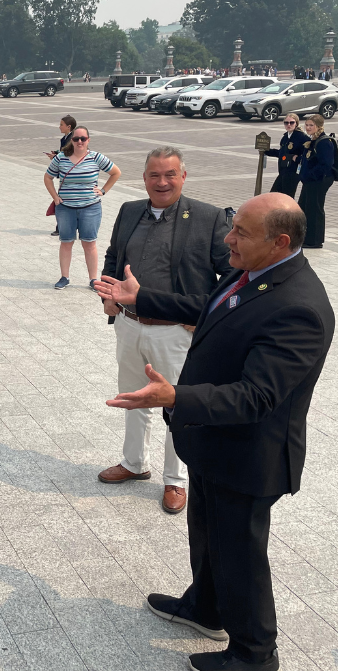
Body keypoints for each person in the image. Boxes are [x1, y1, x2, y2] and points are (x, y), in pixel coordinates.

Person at [96, 193, 333, 671]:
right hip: (213, 441)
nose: (228, 238)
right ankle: (205, 609)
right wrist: (141, 298)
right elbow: (209, 306)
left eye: (240, 232)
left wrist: (176, 397)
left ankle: (255, 655)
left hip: (248, 457)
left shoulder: (300, 307)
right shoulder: (253, 273)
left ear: (281, 241)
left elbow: (256, 397)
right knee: (208, 536)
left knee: (240, 555)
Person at [97, 147, 233, 515]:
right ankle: (134, 462)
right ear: (143, 178)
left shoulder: (208, 217)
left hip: (176, 332)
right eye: (154, 175)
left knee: (177, 405)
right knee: (133, 396)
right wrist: (107, 296)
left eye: (170, 174)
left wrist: (204, 317)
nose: (162, 182)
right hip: (129, 325)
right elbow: (113, 257)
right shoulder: (128, 211)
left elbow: (233, 275)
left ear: (183, 177)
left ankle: (176, 480)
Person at [44, 126, 121, 290]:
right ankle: (64, 277)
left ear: (88, 140)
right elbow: (47, 177)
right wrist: (55, 197)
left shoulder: (96, 158)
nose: (79, 142)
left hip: (90, 208)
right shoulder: (61, 158)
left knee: (89, 243)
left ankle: (93, 279)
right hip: (65, 208)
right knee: (66, 242)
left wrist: (103, 190)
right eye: (76, 139)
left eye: (83, 139)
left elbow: (116, 172)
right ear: (71, 140)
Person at [297, 113, 336, 249]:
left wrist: (311, 176)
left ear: (319, 126)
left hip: (319, 181)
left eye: (311, 125)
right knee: (304, 207)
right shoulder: (313, 139)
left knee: (315, 209)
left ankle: (315, 241)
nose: (308, 128)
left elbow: (326, 164)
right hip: (310, 181)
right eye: (307, 125)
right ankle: (306, 237)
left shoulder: (325, 142)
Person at [46, 116, 78, 237]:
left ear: (68, 127)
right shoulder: (65, 138)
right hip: (64, 173)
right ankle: (64, 226)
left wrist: (56, 157)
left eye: (61, 124)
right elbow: (64, 152)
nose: (59, 127)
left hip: (70, 173)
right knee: (63, 200)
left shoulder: (73, 139)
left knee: (62, 201)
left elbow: (70, 154)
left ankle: (61, 227)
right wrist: (56, 153)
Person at [266, 113, 307, 198]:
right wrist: (267, 151)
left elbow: (308, 154)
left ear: (296, 123)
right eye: (286, 123)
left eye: (291, 122)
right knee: (274, 195)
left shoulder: (301, 137)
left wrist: (298, 158)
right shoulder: (285, 137)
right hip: (283, 170)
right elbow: (282, 153)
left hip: (293, 172)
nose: (289, 125)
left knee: (287, 196)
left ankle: (289, 211)